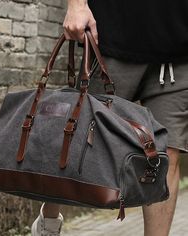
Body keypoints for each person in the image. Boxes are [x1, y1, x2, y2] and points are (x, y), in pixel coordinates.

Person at [31, 0, 188, 235]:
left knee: (165, 156)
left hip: (178, 51)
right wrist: (76, 5)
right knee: (80, 135)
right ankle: (49, 221)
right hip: (116, 35)